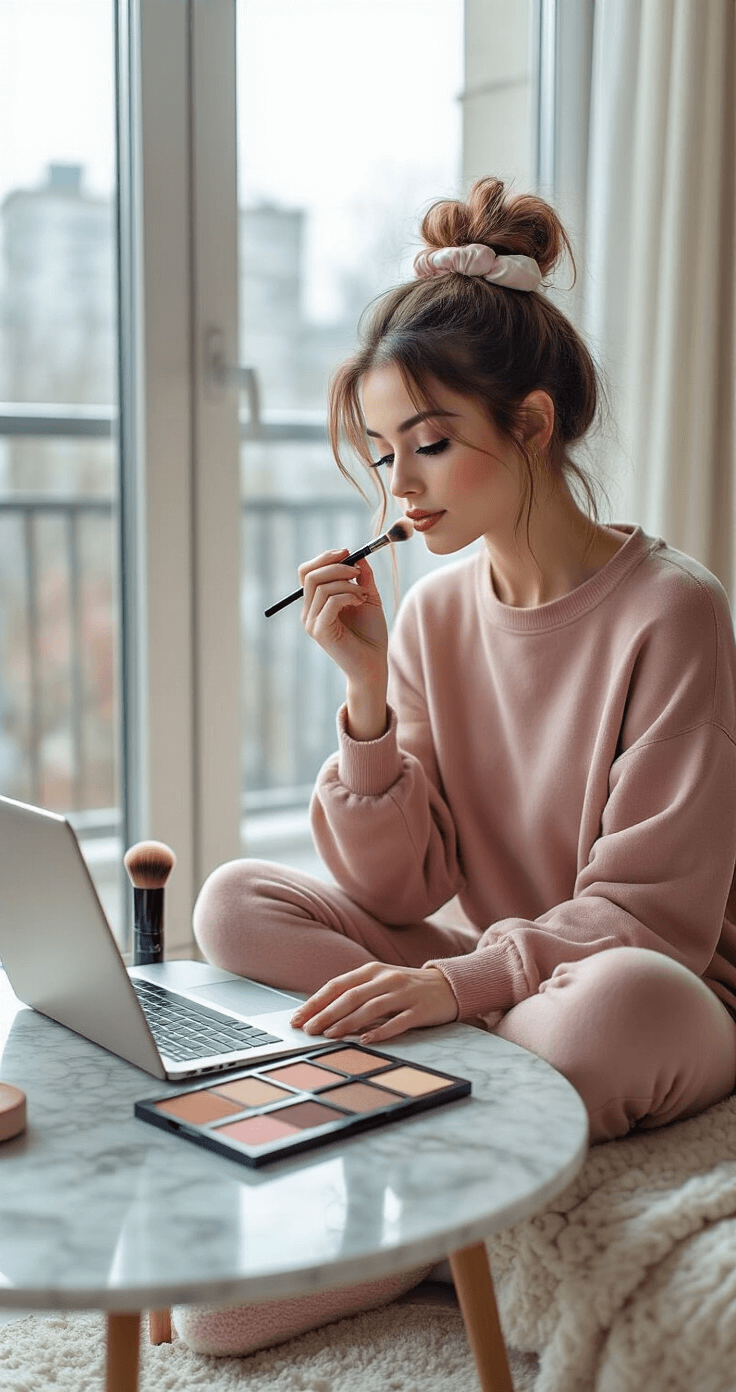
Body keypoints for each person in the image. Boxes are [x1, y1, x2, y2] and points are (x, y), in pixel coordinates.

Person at [174, 176, 736, 1356]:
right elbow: (397, 889)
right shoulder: (431, 614)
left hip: (641, 985)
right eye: (385, 455)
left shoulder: (674, 612)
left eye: (429, 445)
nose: (402, 489)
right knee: (232, 899)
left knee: (614, 1014)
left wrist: (453, 989)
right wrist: (366, 698)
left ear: (531, 425)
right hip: (497, 981)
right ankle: (460, 1125)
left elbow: (652, 920)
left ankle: (419, 1216)